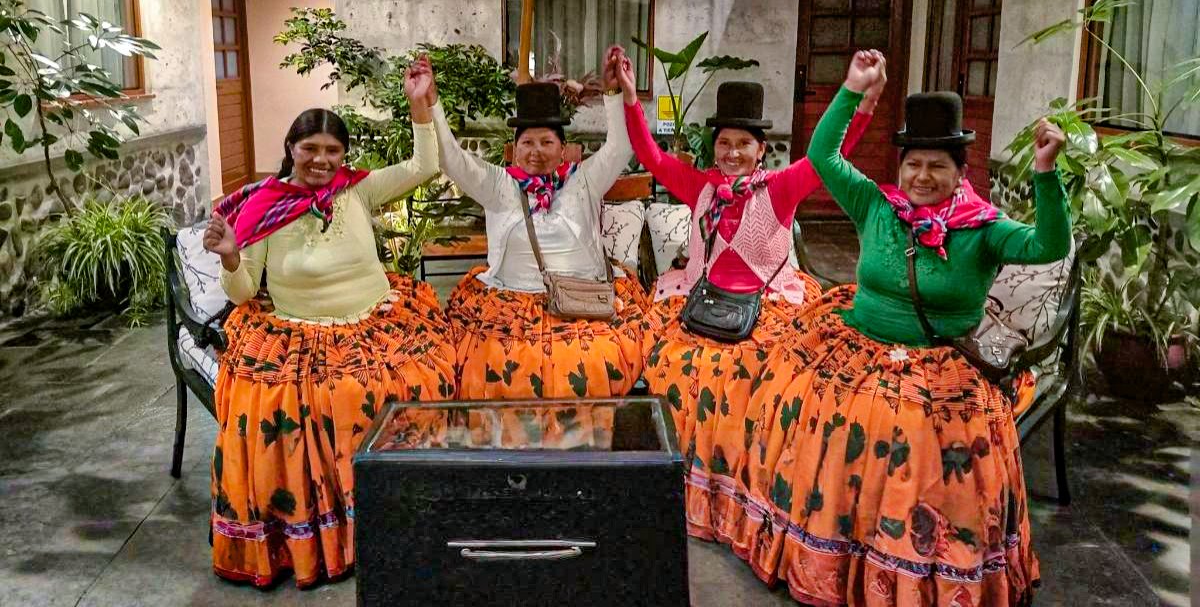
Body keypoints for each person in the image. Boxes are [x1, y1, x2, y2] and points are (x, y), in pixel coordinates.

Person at [721, 50, 1069, 607]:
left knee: (921, 432)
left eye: (937, 166)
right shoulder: (876, 206)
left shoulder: (985, 229)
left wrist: (1046, 174)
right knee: (797, 396)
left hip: (941, 359)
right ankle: (831, 554)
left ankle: (915, 572)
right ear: (900, 166)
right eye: (913, 164)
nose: (922, 177)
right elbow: (822, 154)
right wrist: (851, 89)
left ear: (961, 173)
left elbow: (1049, 245)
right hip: (857, 343)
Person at [202, 61, 456, 588]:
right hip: (300, 333)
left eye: (332, 150)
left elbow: (425, 164)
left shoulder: (357, 190)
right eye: (310, 148)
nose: (321, 160)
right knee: (297, 406)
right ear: (291, 149)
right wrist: (230, 256)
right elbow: (244, 292)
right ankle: (318, 536)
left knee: (425, 377)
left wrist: (419, 103)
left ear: (344, 155)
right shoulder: (264, 206)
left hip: (376, 323)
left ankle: (401, 520)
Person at [615, 60, 882, 539]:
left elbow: (834, 154)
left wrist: (864, 103)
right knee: (674, 369)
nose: (733, 152)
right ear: (713, 147)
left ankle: (747, 496)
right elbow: (650, 155)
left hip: (767, 307)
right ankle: (682, 490)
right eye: (724, 142)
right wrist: (632, 97)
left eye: (743, 143)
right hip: (700, 303)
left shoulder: (782, 187)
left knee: (761, 380)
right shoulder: (700, 187)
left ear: (761, 149)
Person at [433, 46, 656, 401]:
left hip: (582, 300)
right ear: (515, 148)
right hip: (511, 305)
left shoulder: (583, 180)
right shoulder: (498, 185)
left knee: (589, 362)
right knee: (496, 361)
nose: (536, 151)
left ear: (563, 148)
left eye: (547, 142)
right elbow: (450, 158)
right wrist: (430, 104)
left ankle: (587, 433)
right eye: (527, 142)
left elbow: (619, 148)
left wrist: (615, 92)